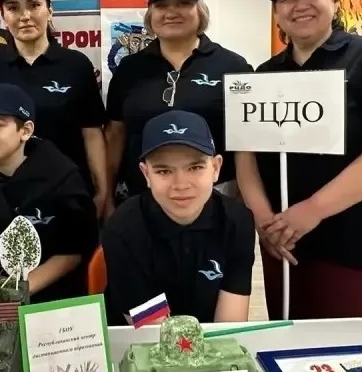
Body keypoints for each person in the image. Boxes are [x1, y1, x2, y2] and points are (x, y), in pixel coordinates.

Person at [236, 0, 362, 322]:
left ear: (334, 1)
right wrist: (264, 220)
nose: (301, 5)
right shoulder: (266, 74)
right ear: (276, 13)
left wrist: (312, 210)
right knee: (286, 337)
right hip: (282, 241)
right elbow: (247, 154)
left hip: (352, 241)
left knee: (342, 344)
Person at [0, 0, 109, 215]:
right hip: (4, 194)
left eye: (34, 5)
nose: (25, 16)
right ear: (3, 16)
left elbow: (92, 133)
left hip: (66, 192)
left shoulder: (76, 65)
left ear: (49, 10)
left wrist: (103, 191)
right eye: (13, 8)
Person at [105, 0, 251, 209]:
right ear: (150, 15)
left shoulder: (233, 67)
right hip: (141, 200)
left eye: (184, 3)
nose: (171, 12)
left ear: (200, 11)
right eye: (161, 5)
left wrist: (245, 201)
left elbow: (246, 143)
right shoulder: (129, 70)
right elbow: (115, 135)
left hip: (216, 200)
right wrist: (107, 196)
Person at [102, 110, 254, 325]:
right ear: (146, 174)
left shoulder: (238, 222)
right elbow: (155, 331)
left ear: (215, 168)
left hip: (210, 340)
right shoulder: (122, 229)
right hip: (141, 340)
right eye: (164, 171)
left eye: (195, 167)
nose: (181, 185)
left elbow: (229, 325)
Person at [0, 83, 98, 303]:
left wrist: (14, 293)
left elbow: (72, 252)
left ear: (25, 131)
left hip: (50, 300)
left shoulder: (61, 179)